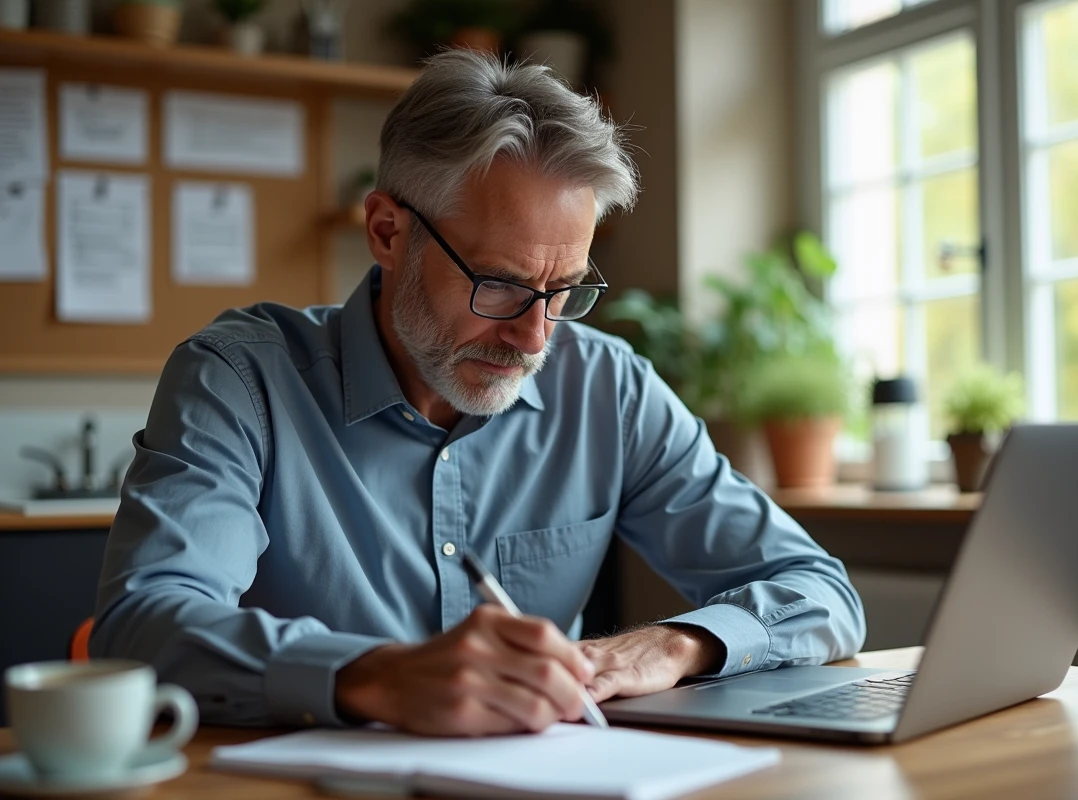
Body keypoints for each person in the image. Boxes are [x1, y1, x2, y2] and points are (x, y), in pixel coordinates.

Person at [91, 50, 865, 736]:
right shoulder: (241, 379)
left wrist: (676, 644)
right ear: (388, 232)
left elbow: (821, 592)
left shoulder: (609, 389)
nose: (535, 338)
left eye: (563, 290)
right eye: (499, 284)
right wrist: (378, 676)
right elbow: (143, 626)